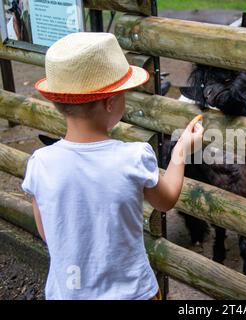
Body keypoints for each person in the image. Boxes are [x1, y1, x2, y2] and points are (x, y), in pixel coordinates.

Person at [21, 32, 204, 299]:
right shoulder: (133, 157)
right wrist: (181, 150)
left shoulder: (40, 163)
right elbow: (166, 201)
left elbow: (49, 232)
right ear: (110, 102)